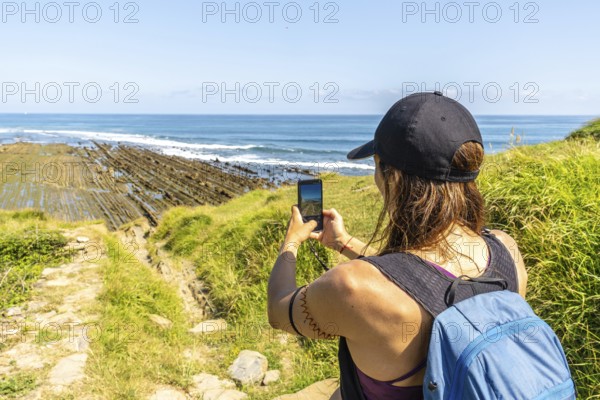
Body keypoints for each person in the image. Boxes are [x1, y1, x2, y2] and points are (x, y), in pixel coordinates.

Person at [267, 92, 528, 400]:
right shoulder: (506, 250)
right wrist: (343, 243)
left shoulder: (351, 286)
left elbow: (279, 310)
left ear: (392, 177)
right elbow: (428, 282)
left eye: (377, 166)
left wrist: (292, 242)